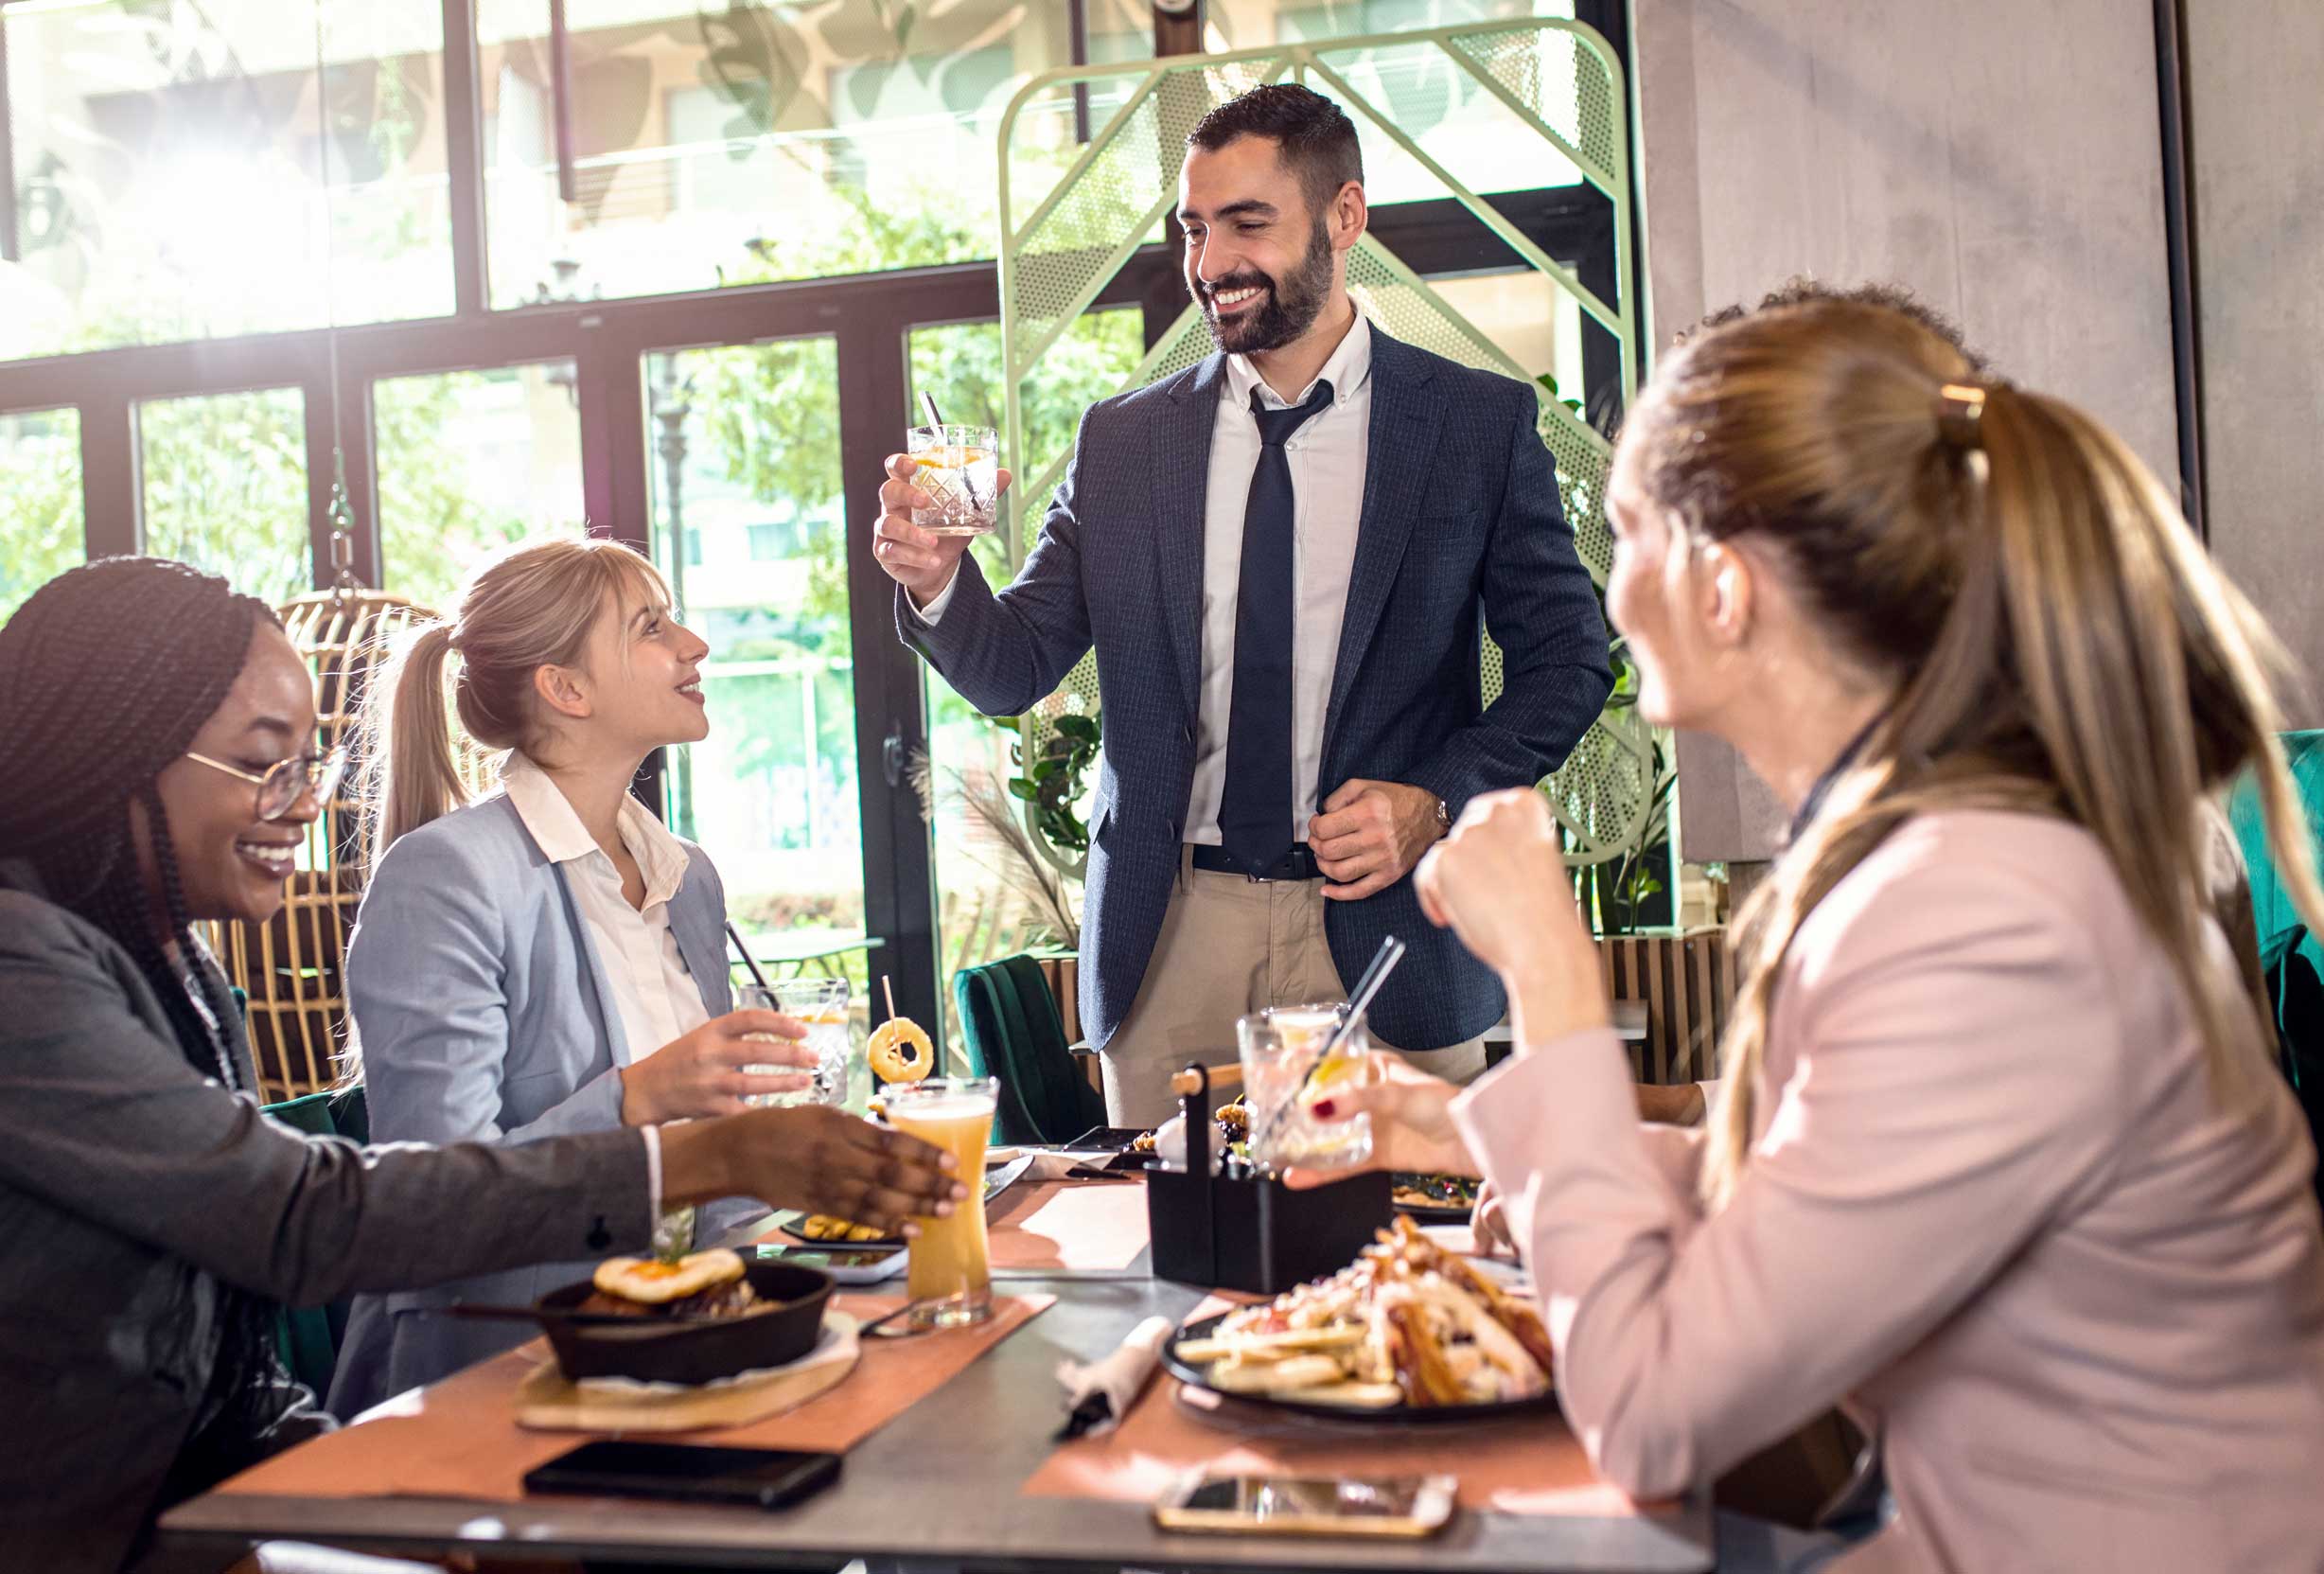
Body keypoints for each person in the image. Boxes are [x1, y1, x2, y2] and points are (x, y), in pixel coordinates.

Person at [1302, 296, 2324, 1570]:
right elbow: (1816, 1200)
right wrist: (1456, 1129)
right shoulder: (1938, 844)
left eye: (1627, 537)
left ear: (1724, 586)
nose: (1609, 594)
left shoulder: (1979, 912)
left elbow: (1653, 1413)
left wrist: (1548, 968)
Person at [0, 558, 964, 1574]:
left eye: (308, 765)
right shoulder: (22, 970)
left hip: (209, 1507)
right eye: (260, 762)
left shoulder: (171, 965)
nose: (305, 805)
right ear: (119, 753)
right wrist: (697, 1152)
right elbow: (299, 1218)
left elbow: (221, 1375)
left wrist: (388, 1509)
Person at [874, 84, 1611, 1123]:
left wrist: (1436, 799)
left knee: (1399, 1222)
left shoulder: (1472, 426)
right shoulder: (1122, 443)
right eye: (1193, 227)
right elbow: (1015, 665)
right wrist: (938, 579)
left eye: (1246, 223)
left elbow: (1567, 662)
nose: (1210, 261)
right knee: (1167, 1226)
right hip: (1169, 940)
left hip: (1390, 933)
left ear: (1344, 217)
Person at [327, 539, 800, 1415]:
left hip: (686, 1344)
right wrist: (637, 1095)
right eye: (651, 627)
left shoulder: (688, 876)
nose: (694, 644)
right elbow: (435, 1201)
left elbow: (706, 1174)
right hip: (499, 1377)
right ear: (567, 689)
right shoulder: (446, 877)